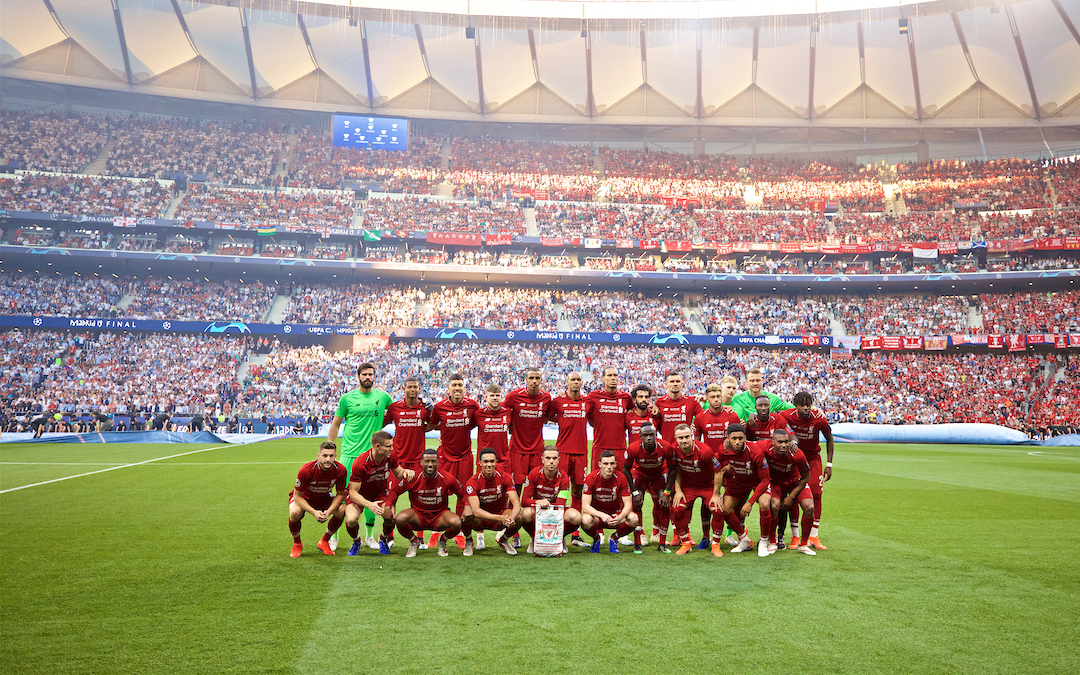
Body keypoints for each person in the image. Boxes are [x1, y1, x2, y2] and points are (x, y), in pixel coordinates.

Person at [327, 362, 392, 551]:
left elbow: (399, 412)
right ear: (358, 376)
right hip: (349, 455)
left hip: (373, 457)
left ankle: (369, 536)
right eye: (364, 374)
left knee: (372, 495)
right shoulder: (347, 399)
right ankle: (334, 536)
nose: (368, 377)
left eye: (371, 374)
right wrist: (330, 449)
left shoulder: (383, 397)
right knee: (342, 496)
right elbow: (335, 424)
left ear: (374, 376)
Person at [427, 372, 479, 549]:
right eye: (454, 385)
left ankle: (459, 533)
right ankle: (437, 531)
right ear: (448, 388)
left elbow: (474, 423)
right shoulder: (440, 407)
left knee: (462, 495)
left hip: (465, 457)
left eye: (460, 385)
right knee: (440, 493)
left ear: (464, 388)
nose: (457, 388)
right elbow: (432, 424)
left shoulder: (472, 405)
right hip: (445, 457)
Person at [386, 447, 467, 558]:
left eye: (433, 461)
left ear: (438, 462)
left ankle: (442, 541)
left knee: (457, 522)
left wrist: (467, 507)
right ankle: (414, 541)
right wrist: (388, 506)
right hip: (418, 516)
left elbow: (463, 494)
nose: (430, 464)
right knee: (400, 519)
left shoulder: (447, 477)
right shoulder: (413, 477)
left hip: (439, 516)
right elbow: (394, 492)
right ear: (421, 462)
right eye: (427, 461)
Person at [779, 391, 834, 550]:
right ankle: (795, 536)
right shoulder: (786, 415)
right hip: (794, 458)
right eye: (802, 405)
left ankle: (814, 536)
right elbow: (774, 419)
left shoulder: (818, 418)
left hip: (812, 457)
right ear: (795, 406)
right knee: (795, 494)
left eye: (808, 405)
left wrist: (829, 464)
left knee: (816, 494)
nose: (805, 408)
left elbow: (829, 438)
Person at [344, 430, 415, 556]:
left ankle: (383, 538)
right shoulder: (360, 463)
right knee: (351, 520)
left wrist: (406, 471)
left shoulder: (390, 456)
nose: (391, 449)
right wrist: (369, 504)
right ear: (377, 446)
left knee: (391, 517)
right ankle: (356, 541)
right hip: (360, 494)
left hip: (380, 493)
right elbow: (353, 492)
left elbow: (398, 473)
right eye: (388, 446)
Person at [710, 424, 773, 558]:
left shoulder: (756, 452)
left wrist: (750, 502)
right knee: (725, 509)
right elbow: (715, 460)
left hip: (758, 483)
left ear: (745, 437)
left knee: (765, 504)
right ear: (728, 439)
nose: (737, 442)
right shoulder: (724, 449)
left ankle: (763, 542)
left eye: (740, 438)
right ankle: (744, 539)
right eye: (734, 439)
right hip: (739, 482)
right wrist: (725, 468)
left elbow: (765, 481)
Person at [547, 371, 592, 548]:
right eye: (572, 379)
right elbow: (548, 415)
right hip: (563, 452)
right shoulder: (558, 401)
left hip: (581, 453)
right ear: (567, 382)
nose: (575, 382)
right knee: (560, 491)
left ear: (581, 383)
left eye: (578, 380)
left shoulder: (587, 402)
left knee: (578, 492)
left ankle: (575, 534)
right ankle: (557, 531)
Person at [287, 441, 347, 558]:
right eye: (325, 456)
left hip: (323, 497)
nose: (328, 459)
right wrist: (314, 512)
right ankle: (297, 544)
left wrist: (328, 511)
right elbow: (297, 496)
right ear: (318, 456)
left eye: (331, 456)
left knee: (342, 510)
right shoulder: (306, 469)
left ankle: (324, 542)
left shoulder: (340, 470)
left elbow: (340, 495)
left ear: (335, 456)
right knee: (294, 512)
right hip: (304, 498)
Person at [763, 428, 817, 556]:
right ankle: (772, 542)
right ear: (773, 442)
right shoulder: (765, 449)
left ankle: (803, 544)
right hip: (776, 482)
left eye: (786, 442)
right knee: (774, 506)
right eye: (780, 442)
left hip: (796, 481)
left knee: (809, 507)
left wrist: (791, 497)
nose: (784, 445)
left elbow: (806, 477)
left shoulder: (797, 454)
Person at [520, 445, 582, 554]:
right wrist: (537, 502)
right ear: (542, 459)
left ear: (559, 460)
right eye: (548, 458)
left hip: (556, 510)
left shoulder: (564, 477)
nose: (551, 461)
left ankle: (559, 538)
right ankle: (534, 538)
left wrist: (550, 509)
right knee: (525, 514)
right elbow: (524, 501)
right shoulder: (533, 473)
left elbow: (560, 504)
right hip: (538, 509)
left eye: (554, 458)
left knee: (576, 517)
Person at [622, 424, 674, 553]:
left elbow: (673, 470)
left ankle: (662, 543)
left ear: (656, 436)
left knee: (664, 504)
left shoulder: (666, 447)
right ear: (640, 437)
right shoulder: (633, 448)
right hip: (640, 474)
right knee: (637, 503)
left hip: (659, 474)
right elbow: (625, 470)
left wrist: (667, 492)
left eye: (651, 435)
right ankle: (637, 542)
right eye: (645, 435)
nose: (649, 438)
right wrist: (634, 492)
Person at [669, 423, 718, 555]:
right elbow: (676, 470)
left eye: (687, 437)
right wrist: (678, 491)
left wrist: (716, 494)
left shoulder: (705, 451)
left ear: (692, 436)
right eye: (681, 438)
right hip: (689, 487)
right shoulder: (673, 449)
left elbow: (718, 471)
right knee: (677, 509)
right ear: (675, 438)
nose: (684, 440)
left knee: (717, 509)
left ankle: (715, 544)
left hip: (708, 485)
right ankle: (685, 543)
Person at [464, 448, 522, 556]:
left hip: (499, 515)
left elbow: (516, 503)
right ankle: (469, 541)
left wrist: (512, 518)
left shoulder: (505, 477)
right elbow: (476, 511)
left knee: (519, 517)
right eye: (486, 461)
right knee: (466, 515)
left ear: (496, 462)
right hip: (480, 519)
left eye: (492, 461)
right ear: (480, 463)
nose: (489, 464)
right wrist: (501, 518)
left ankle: (503, 540)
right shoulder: (472, 482)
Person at [503, 367, 552, 492]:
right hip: (517, 449)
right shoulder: (513, 396)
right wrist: (509, 424)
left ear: (541, 380)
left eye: (537, 378)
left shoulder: (546, 398)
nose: (534, 381)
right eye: (531, 378)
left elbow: (550, 414)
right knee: (516, 486)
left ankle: (535, 511)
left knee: (537, 486)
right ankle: (514, 511)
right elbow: (502, 411)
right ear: (526, 380)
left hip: (537, 450)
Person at [580, 449, 638, 553]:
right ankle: (596, 538)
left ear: (616, 464)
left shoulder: (621, 478)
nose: (609, 467)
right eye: (606, 463)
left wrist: (619, 516)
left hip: (616, 516)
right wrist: (601, 515)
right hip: (598, 517)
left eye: (612, 463)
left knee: (633, 518)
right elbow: (585, 506)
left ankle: (614, 538)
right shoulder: (591, 478)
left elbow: (628, 504)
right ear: (600, 464)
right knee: (585, 519)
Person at [587, 366, 633, 471]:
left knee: (621, 481)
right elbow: (588, 416)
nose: (613, 378)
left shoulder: (626, 398)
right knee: (597, 481)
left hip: (619, 447)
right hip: (599, 446)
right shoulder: (593, 396)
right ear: (603, 378)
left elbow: (634, 413)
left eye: (615, 375)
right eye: (609, 375)